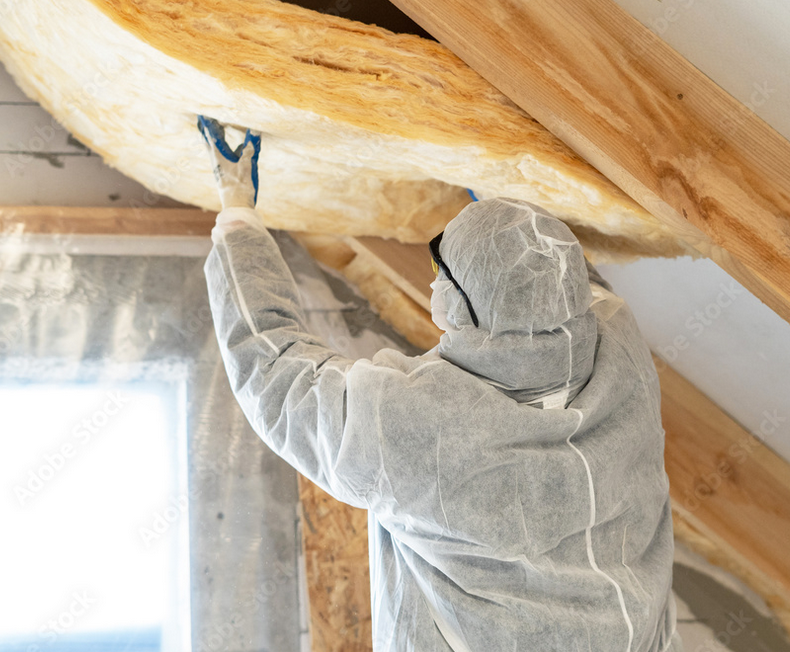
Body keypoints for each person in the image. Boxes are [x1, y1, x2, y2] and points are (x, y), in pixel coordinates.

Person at [198, 116, 682, 652]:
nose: (431, 279)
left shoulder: (411, 426)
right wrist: (506, 223)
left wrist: (236, 212)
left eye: (441, 268)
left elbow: (273, 371)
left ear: (457, 304)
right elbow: (565, 287)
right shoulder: (621, 347)